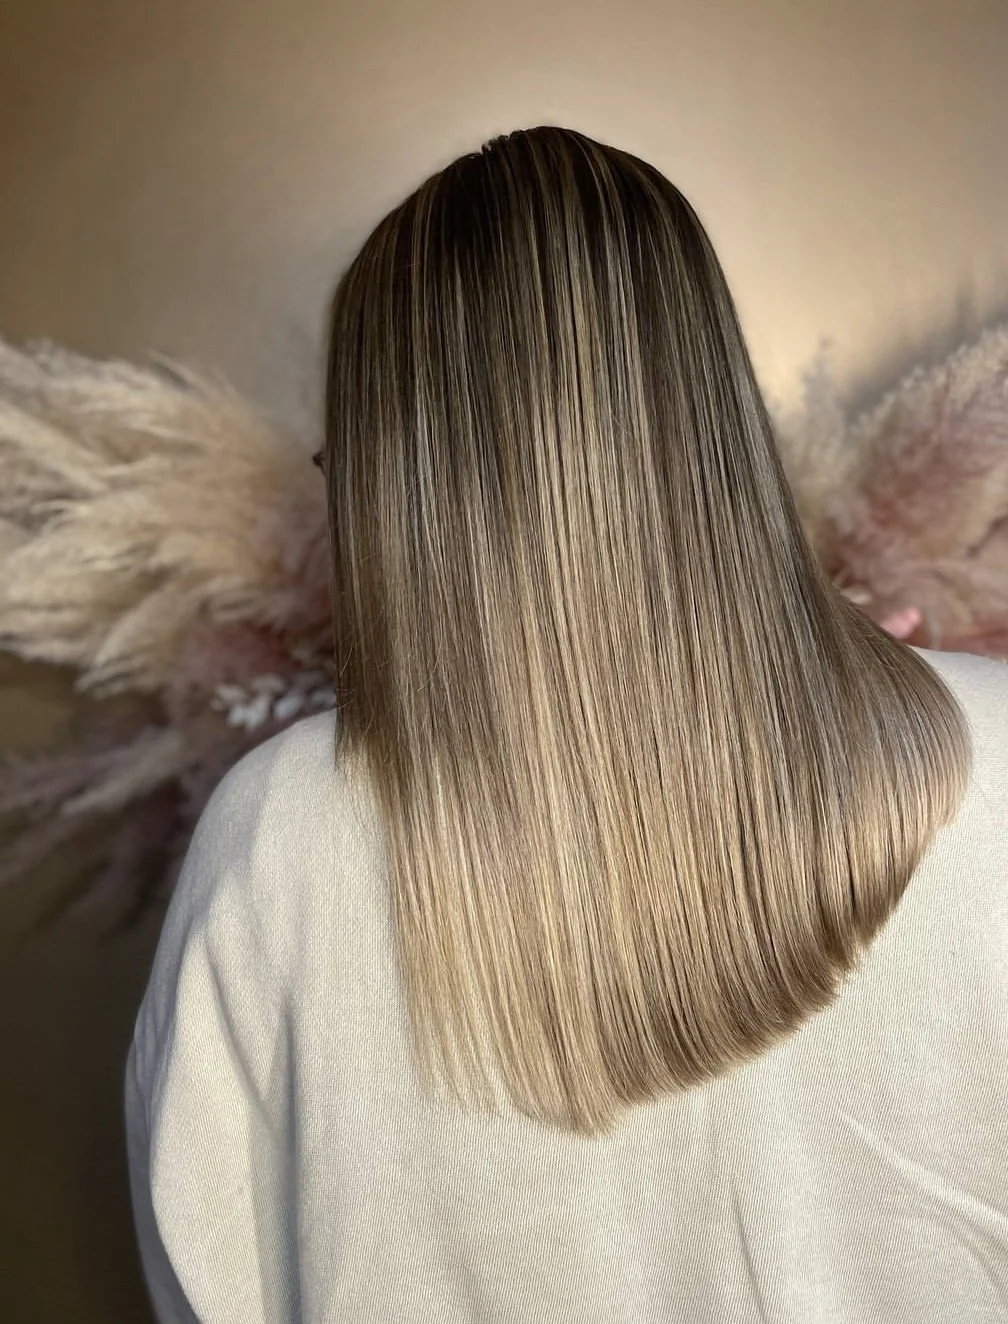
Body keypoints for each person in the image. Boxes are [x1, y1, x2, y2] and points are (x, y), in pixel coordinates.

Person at [124, 126, 1008, 1323]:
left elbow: (206, 1279)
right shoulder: (995, 761)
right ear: (715, 416)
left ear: (392, 479)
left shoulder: (275, 838)